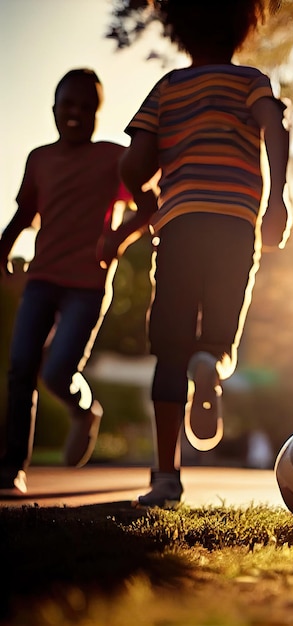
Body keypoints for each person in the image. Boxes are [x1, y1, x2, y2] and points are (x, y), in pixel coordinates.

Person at [111, 0, 290, 508]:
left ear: (178, 28)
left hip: (181, 221)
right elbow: (274, 128)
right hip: (236, 222)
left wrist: (143, 197)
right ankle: (211, 358)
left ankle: (166, 477)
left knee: (170, 349)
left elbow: (135, 160)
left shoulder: (168, 88)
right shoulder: (251, 80)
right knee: (218, 331)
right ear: (242, 26)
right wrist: (277, 197)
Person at [0, 68, 147, 494]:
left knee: (59, 370)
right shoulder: (39, 159)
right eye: (68, 105)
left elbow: (149, 205)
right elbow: (24, 216)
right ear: (54, 109)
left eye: (87, 107)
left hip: (88, 284)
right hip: (42, 278)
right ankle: (11, 468)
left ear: (98, 114)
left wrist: (119, 237)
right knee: (21, 366)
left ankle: (85, 410)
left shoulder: (114, 159)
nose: (76, 113)